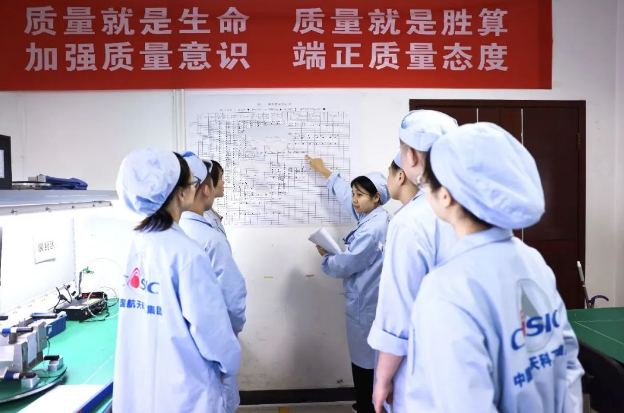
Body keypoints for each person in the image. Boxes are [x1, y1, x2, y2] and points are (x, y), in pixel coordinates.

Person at [405, 123, 584, 412]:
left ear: (446, 195)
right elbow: (568, 364)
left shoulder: (447, 287)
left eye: (426, 182)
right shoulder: (532, 259)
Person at [113, 148, 241, 413]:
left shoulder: (135, 242)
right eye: (193, 182)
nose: (197, 187)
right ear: (181, 193)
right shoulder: (187, 253)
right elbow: (213, 333)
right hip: (185, 392)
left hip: (143, 387)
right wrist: (230, 365)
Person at [367, 110, 458, 413]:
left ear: (412, 157)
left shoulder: (411, 221)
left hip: (426, 368)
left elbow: (398, 314)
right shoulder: (476, 210)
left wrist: (382, 379)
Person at [306, 155, 390, 413]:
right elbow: (345, 195)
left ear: (376, 197)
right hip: (367, 301)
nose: (354, 199)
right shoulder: (373, 215)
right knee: (366, 361)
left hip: (367, 306)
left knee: (365, 363)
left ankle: (367, 407)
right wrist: (325, 171)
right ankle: (367, 404)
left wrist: (327, 257)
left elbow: (347, 264)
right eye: (354, 193)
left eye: (360, 195)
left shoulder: (373, 229)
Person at [179, 151, 247, 413]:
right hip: (211, 351)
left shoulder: (172, 232)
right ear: (205, 188)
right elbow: (234, 302)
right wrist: (228, 341)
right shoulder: (209, 239)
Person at [205, 160, 227, 237]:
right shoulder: (207, 218)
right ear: (211, 182)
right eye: (220, 178)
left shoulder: (210, 212)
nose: (223, 182)